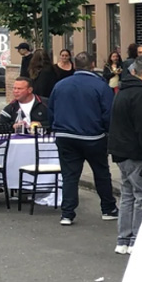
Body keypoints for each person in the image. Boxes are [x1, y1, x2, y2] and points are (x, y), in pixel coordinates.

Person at [48, 52, 116, 226]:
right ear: (92, 65)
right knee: (101, 172)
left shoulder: (60, 85)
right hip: (93, 136)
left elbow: (51, 109)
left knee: (69, 175)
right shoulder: (101, 86)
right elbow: (108, 113)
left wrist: (54, 127)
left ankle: (67, 213)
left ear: (74, 64)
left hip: (65, 135)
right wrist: (108, 133)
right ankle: (108, 208)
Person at [108, 54, 142, 254]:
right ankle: (136, 239)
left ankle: (124, 239)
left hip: (121, 151)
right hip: (135, 153)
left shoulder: (124, 91)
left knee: (128, 195)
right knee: (140, 196)